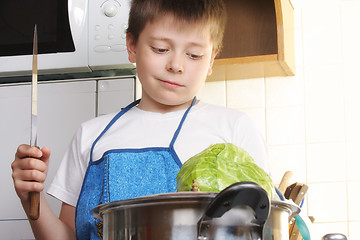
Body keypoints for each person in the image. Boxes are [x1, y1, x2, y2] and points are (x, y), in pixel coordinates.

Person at [11, 0, 269, 239]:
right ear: (132, 46)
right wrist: (32, 200)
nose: (176, 65)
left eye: (194, 55)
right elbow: (68, 235)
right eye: (161, 49)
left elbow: (263, 225)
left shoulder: (234, 128)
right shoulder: (91, 136)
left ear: (212, 59)